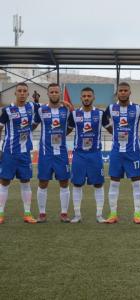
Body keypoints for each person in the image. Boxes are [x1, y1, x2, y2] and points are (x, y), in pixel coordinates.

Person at [67, 87, 109, 223]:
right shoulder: (74, 115)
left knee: (98, 184)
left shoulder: (101, 114)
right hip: (79, 155)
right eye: (84, 96)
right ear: (81, 98)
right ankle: (77, 215)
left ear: (93, 97)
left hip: (95, 154)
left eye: (89, 96)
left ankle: (99, 215)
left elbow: (111, 129)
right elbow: (66, 132)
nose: (86, 98)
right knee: (77, 184)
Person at [103, 82, 140, 224]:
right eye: (121, 90)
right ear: (117, 93)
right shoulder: (111, 108)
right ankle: (113, 214)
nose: (123, 93)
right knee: (114, 182)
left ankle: (137, 214)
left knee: (136, 183)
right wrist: (112, 131)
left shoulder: (138, 109)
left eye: (126, 90)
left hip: (133, 152)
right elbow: (103, 120)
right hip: (116, 152)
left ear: (130, 92)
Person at [0, 82, 38, 224]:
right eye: (19, 91)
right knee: (4, 181)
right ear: (15, 93)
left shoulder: (32, 107)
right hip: (9, 152)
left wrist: (64, 103)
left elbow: (49, 107)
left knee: (26, 181)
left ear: (28, 94)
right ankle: (0, 213)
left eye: (24, 91)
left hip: (24, 153)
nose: (22, 93)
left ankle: (27, 213)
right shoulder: (7, 110)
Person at [34, 83, 71, 223]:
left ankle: (64, 214)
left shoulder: (67, 110)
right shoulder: (41, 110)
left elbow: (72, 126)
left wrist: (63, 134)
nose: (54, 94)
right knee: (43, 182)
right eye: (52, 92)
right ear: (48, 94)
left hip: (61, 153)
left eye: (56, 92)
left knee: (64, 182)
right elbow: (33, 125)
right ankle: (42, 214)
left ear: (60, 94)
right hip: (45, 153)